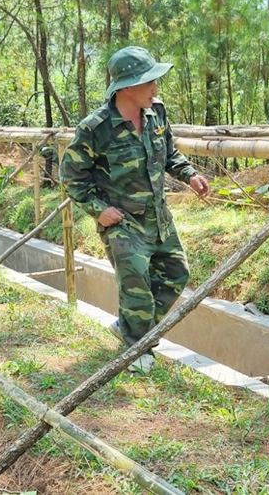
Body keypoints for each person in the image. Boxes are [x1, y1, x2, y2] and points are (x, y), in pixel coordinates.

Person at [60, 46, 210, 375]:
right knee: (137, 283)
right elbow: (71, 177)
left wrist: (190, 175)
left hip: (158, 217)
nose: (156, 89)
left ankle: (130, 329)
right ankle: (137, 349)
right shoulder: (95, 128)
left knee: (176, 275)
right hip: (122, 221)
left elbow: (169, 152)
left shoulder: (156, 112)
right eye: (149, 82)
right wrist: (99, 210)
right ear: (126, 87)